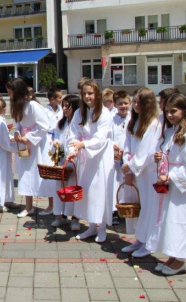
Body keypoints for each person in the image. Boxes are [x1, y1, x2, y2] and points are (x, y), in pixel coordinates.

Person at [66, 80, 114, 243]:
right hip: (84, 156)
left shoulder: (105, 113)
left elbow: (101, 138)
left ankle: (103, 227)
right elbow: (73, 134)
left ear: (98, 95)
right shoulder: (80, 112)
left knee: (100, 191)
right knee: (87, 192)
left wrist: (84, 144)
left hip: (99, 157)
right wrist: (73, 151)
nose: (87, 96)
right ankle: (92, 226)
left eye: (90, 93)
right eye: (84, 93)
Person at [147, 93, 186, 275]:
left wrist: (170, 175)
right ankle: (173, 255)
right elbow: (170, 153)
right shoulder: (173, 130)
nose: (170, 115)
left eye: (174, 111)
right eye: (167, 111)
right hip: (171, 185)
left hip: (181, 188)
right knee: (171, 220)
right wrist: (160, 156)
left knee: (180, 221)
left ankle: (181, 259)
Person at [121, 87, 161, 257]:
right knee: (138, 204)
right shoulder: (134, 121)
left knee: (148, 206)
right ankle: (139, 238)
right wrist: (127, 163)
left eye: (139, 102)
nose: (136, 105)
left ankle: (148, 243)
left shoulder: (153, 123)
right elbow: (127, 145)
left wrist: (130, 166)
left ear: (148, 104)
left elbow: (146, 150)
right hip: (135, 170)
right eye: (134, 102)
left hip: (147, 171)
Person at [7, 78, 53, 218]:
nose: (9, 95)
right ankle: (28, 206)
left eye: (10, 92)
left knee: (43, 173)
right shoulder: (18, 106)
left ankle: (51, 205)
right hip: (25, 144)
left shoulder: (33, 105)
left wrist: (29, 137)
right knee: (26, 173)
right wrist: (17, 133)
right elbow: (20, 124)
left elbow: (44, 125)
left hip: (38, 145)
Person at [51, 95, 81, 230]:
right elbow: (56, 138)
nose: (63, 108)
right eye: (63, 105)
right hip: (62, 160)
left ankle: (75, 218)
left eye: (67, 106)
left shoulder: (80, 124)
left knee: (73, 188)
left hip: (75, 160)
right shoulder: (61, 123)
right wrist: (56, 144)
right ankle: (60, 216)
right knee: (61, 187)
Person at [111, 90, 132, 227]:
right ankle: (115, 211)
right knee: (115, 184)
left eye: (126, 103)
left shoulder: (133, 119)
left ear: (130, 103)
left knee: (128, 184)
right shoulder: (111, 119)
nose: (123, 106)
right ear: (115, 104)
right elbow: (108, 136)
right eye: (120, 104)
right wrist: (113, 146)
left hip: (129, 157)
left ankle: (127, 210)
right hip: (115, 157)